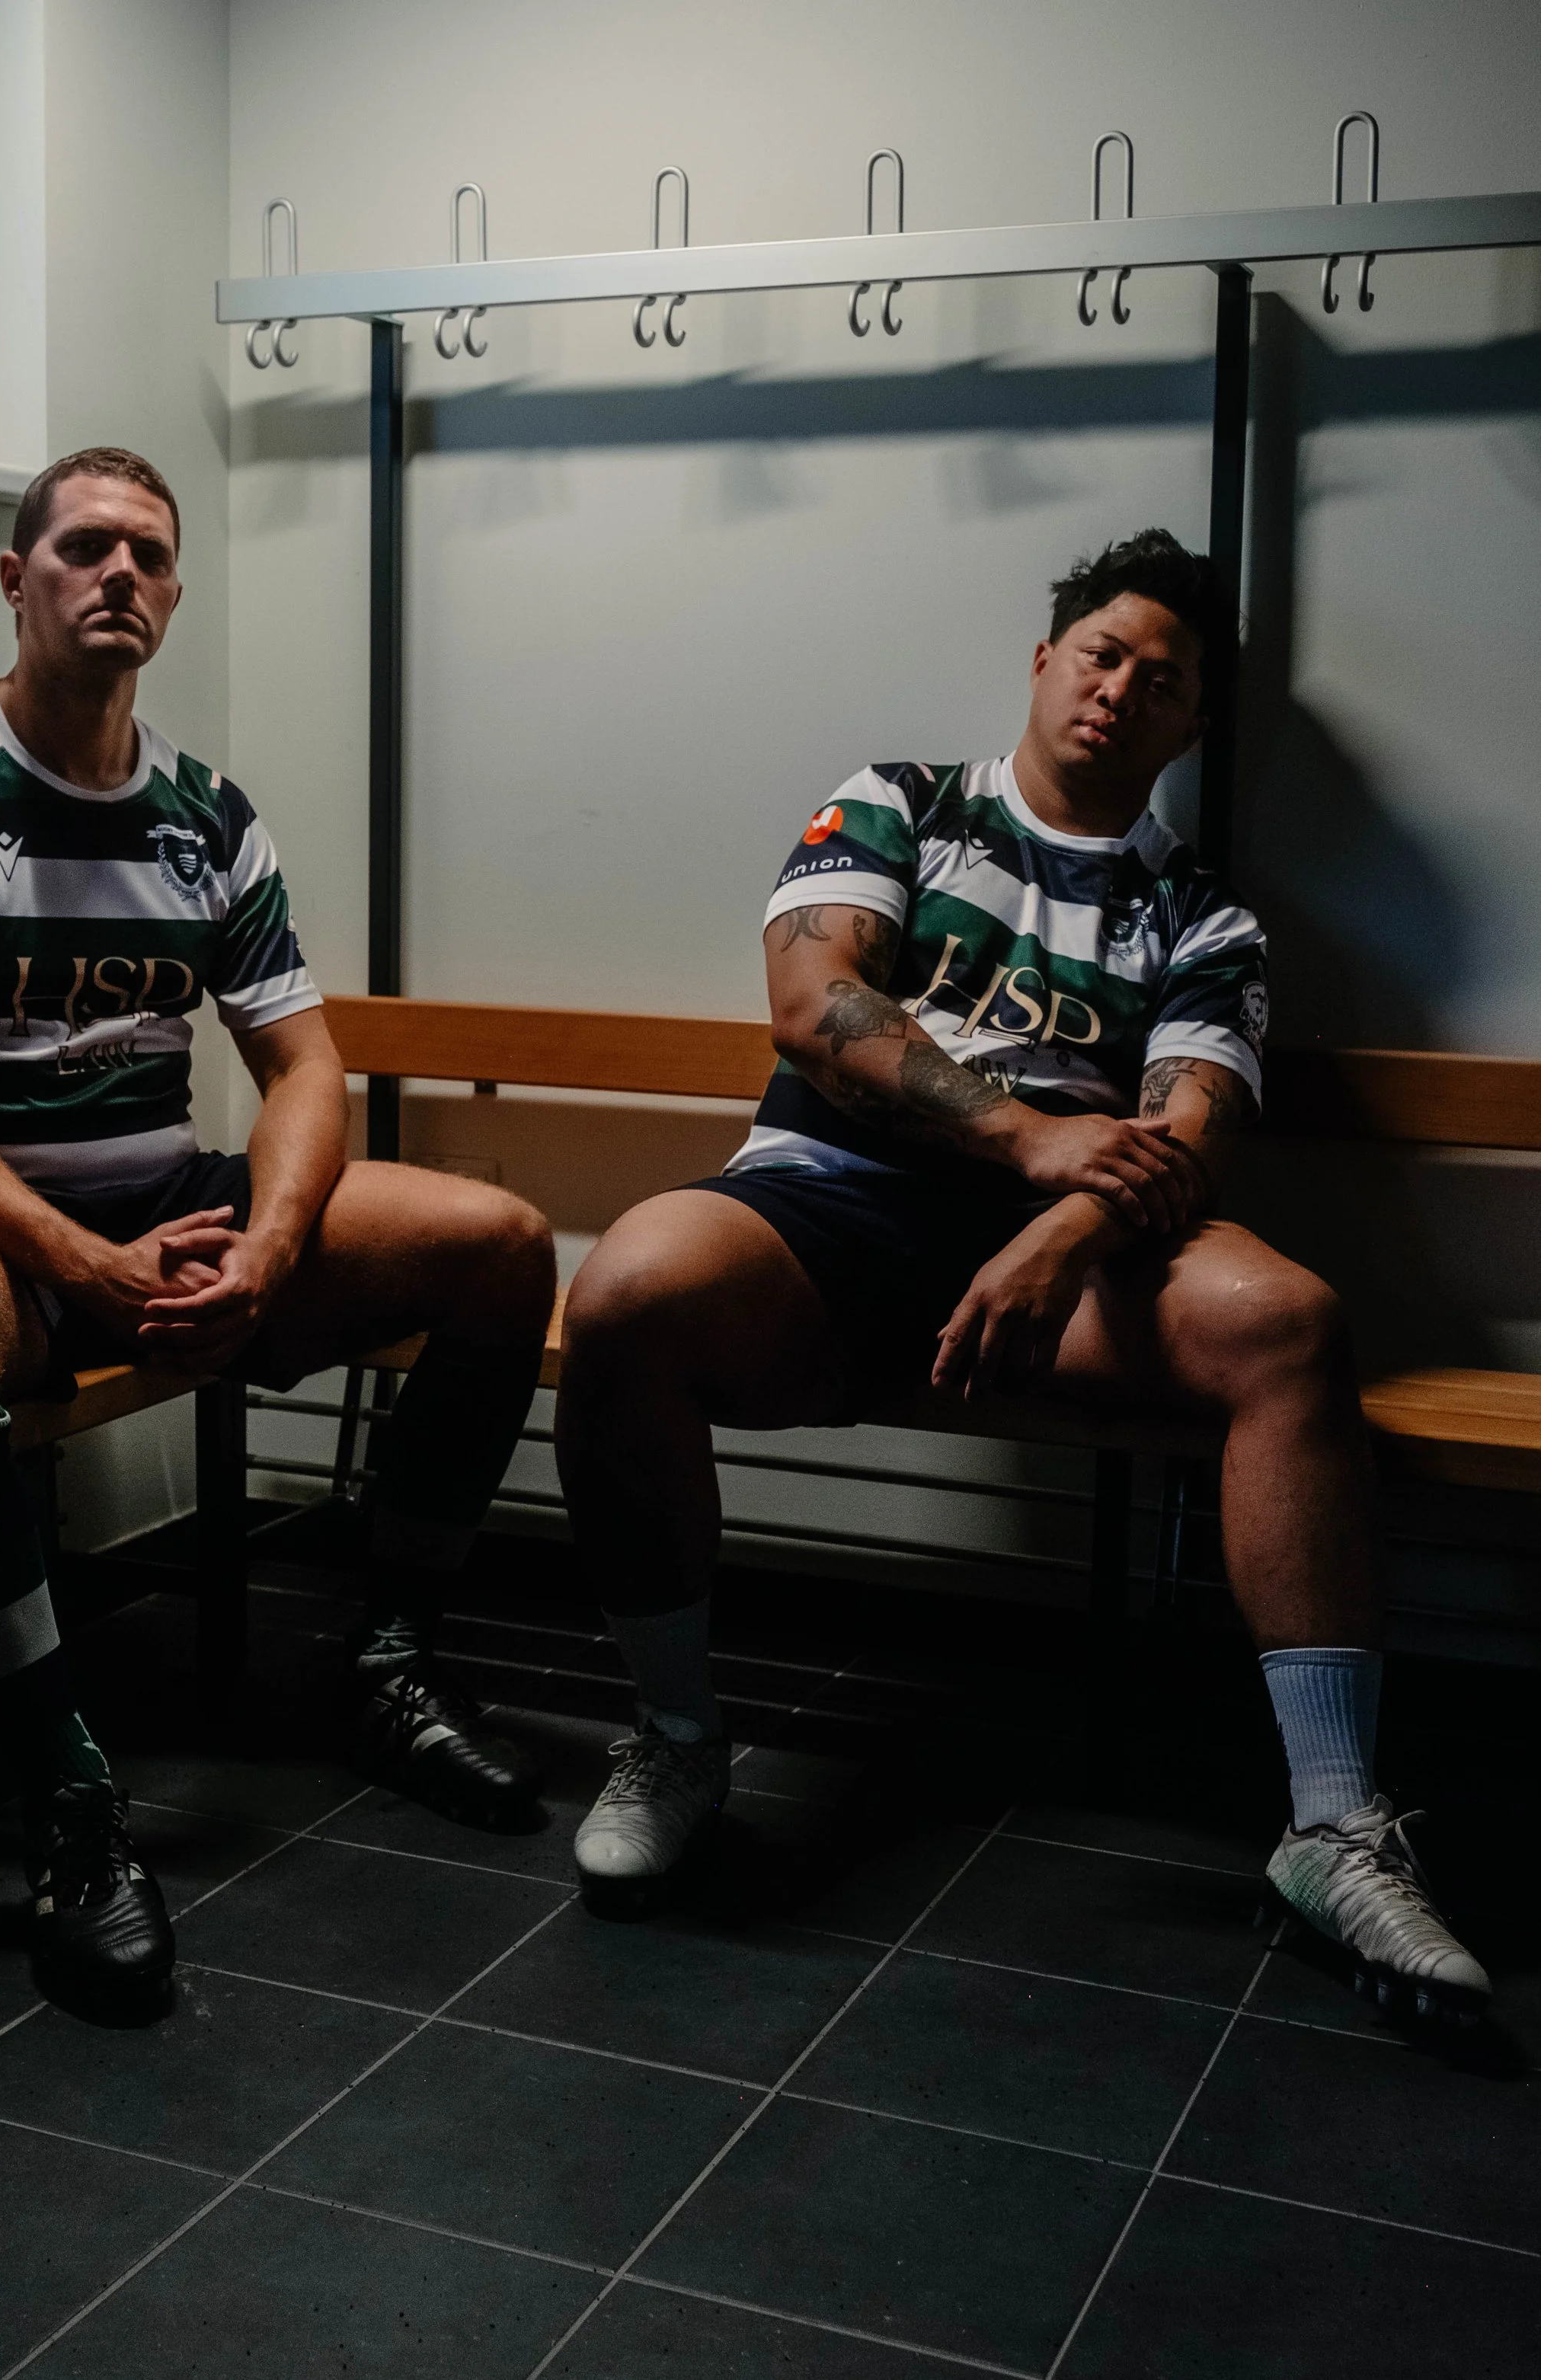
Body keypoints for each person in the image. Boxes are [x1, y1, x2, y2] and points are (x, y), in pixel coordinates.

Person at [555, 528, 1489, 2013]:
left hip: (1070, 1249)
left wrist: (1061, 1220)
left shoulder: (1202, 915)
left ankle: (1331, 1825)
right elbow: (812, 1005)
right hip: (827, 1198)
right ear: (1044, 662)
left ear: (1190, 725)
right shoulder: (904, 805)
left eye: (1161, 678)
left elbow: (1189, 1131)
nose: (1120, 689)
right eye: (1100, 653)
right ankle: (674, 1732)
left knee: (1286, 1323)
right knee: (622, 1292)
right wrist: (1023, 1140)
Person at [0, 446, 554, 2008]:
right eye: (82, 547)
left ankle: (387, 1659)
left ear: (177, 590)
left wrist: (267, 1244)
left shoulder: (206, 812)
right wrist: (74, 1261)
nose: (117, 574)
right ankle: (68, 1797)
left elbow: (304, 1063)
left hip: (169, 1207)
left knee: (498, 1238)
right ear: (17, 580)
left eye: (147, 552)